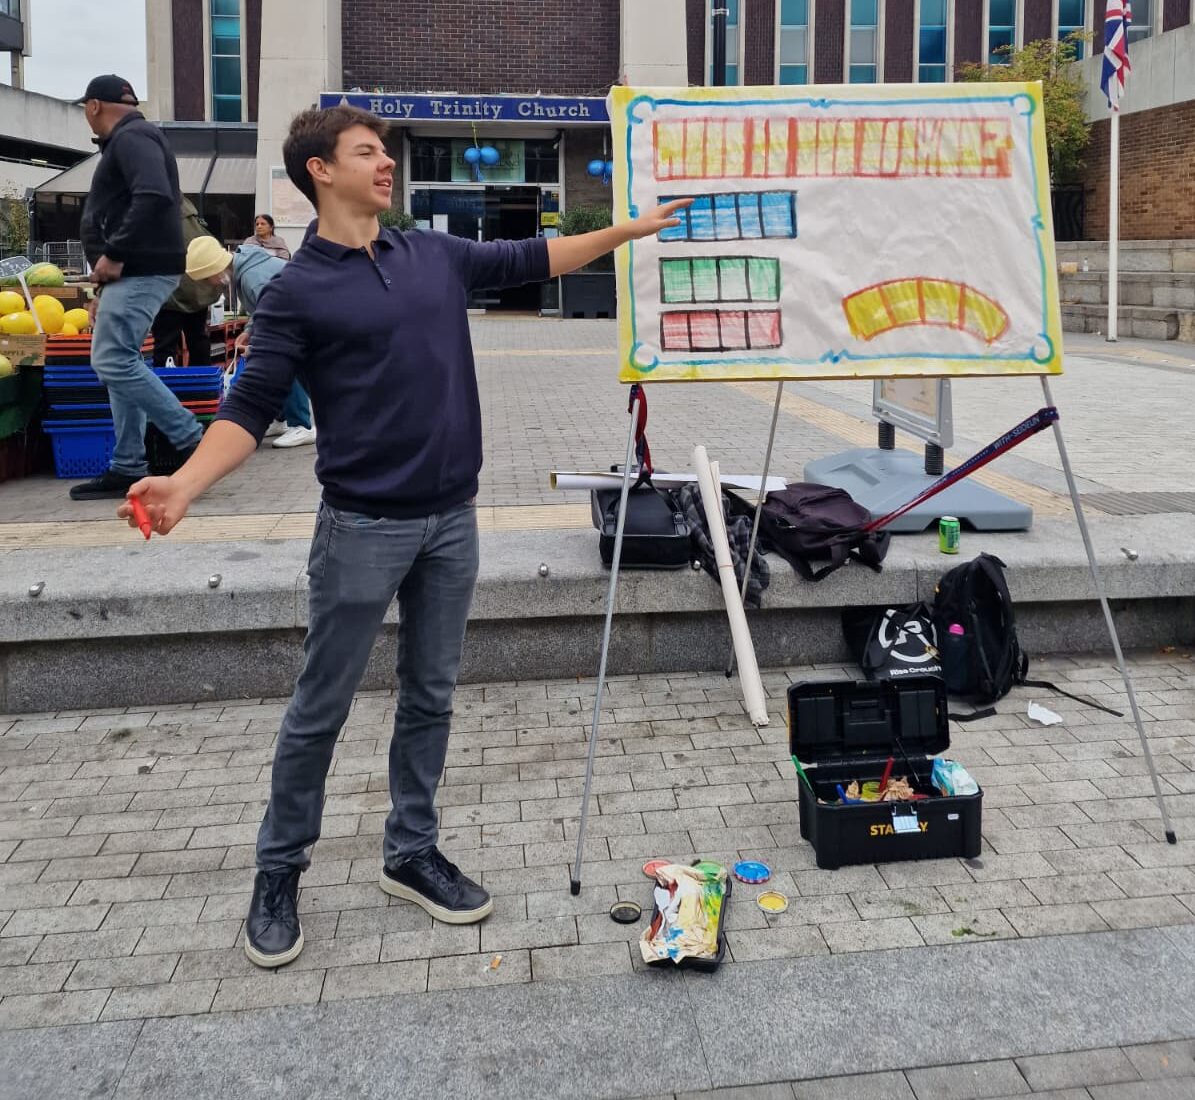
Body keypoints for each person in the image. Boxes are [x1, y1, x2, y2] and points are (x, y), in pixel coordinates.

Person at [119, 104, 688, 969]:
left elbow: (533, 256)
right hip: (361, 529)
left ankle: (410, 852)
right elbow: (250, 406)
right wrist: (186, 484)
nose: (385, 164)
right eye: (366, 153)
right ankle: (278, 873)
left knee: (432, 696)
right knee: (321, 709)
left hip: (453, 522)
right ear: (320, 170)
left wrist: (629, 229)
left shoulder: (430, 254)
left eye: (385, 151)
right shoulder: (297, 288)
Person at [70, 74, 203, 501]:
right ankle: (128, 464)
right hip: (133, 271)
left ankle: (192, 440)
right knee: (120, 363)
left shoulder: (133, 136)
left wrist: (115, 251)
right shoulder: (133, 137)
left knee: (110, 360)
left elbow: (153, 195)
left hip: (141, 266)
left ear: (93, 106)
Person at [186, 236, 316, 448]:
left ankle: (302, 425)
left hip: (301, 317)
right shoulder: (244, 267)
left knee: (284, 363)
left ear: (214, 271)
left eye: (205, 278)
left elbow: (277, 320)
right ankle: (282, 418)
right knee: (276, 362)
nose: (209, 284)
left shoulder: (251, 279)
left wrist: (257, 347)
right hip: (298, 313)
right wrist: (249, 331)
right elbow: (264, 308)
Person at [150, 197, 221, 369]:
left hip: (170, 293)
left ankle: (167, 388)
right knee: (198, 340)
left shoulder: (156, 216)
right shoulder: (192, 217)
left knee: (166, 346)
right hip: (198, 291)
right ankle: (202, 387)